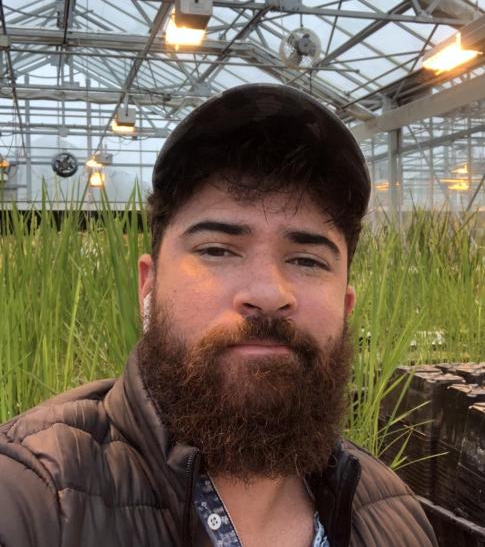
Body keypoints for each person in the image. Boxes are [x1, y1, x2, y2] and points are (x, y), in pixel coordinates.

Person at [0, 84, 438, 547]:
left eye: (307, 260)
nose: (268, 294)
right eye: (217, 250)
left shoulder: (395, 517)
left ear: (346, 308)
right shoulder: (35, 497)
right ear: (149, 286)